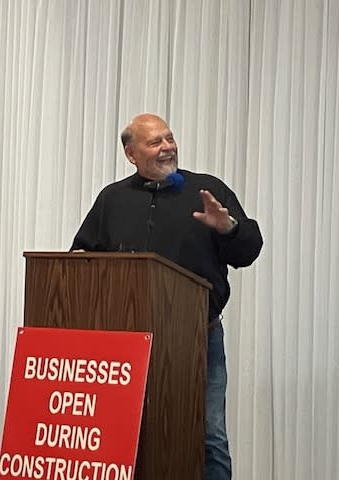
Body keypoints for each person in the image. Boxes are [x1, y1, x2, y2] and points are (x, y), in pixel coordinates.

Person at [71, 113, 263, 480]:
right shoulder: (112, 199)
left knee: (209, 437)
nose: (167, 148)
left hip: (197, 338)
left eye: (169, 139)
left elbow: (248, 252)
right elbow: (84, 255)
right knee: (130, 436)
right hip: (125, 346)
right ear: (131, 154)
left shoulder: (207, 191)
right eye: (155, 142)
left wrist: (228, 229)